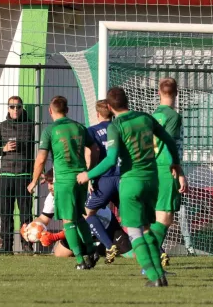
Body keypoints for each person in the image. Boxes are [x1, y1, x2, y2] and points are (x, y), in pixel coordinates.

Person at [76, 87, 187, 287]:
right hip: (152, 181)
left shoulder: (116, 125)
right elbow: (169, 140)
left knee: (135, 232)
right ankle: (160, 273)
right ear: (127, 101)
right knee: (146, 229)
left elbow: (111, 160)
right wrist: (176, 164)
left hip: (131, 181)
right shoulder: (146, 118)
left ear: (109, 107)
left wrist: (88, 175)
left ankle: (154, 278)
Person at [27, 96, 98, 270]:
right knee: (78, 217)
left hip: (64, 181)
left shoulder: (50, 130)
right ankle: (91, 250)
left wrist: (34, 180)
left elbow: (41, 158)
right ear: (67, 110)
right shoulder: (80, 127)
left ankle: (80, 260)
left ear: (50, 111)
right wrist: (90, 172)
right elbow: (95, 148)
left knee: (68, 221)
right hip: (81, 179)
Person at [27, 169, 133, 259]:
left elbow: (80, 221)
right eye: (48, 183)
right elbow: (43, 218)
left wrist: (55, 237)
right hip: (81, 233)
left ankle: (103, 247)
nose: (50, 187)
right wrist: (31, 228)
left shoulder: (74, 192)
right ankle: (95, 249)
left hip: (106, 227)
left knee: (132, 256)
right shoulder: (51, 198)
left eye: (52, 183)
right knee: (59, 254)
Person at [150, 78, 189, 265]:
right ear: (177, 92)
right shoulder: (173, 116)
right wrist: (179, 172)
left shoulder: (152, 115)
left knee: (160, 216)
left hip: (153, 168)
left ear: (158, 92)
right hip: (167, 168)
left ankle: (152, 256)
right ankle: (150, 256)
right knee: (165, 218)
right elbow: (170, 144)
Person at [0, 96, 35, 253]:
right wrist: (4, 148)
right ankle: (6, 246)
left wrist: (35, 175)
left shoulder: (30, 126)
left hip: (23, 175)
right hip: (7, 175)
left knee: (25, 212)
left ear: (22, 108)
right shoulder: (2, 127)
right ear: (7, 108)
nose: (15, 109)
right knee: (6, 212)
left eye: (18, 107)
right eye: (12, 107)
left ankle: (27, 244)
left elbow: (36, 153)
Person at [84, 100, 122, 264]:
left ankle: (108, 245)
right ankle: (159, 252)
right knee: (137, 217)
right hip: (122, 177)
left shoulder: (92, 131)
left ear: (97, 114)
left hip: (104, 180)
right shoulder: (120, 128)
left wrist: (89, 177)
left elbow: (91, 153)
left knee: (88, 213)